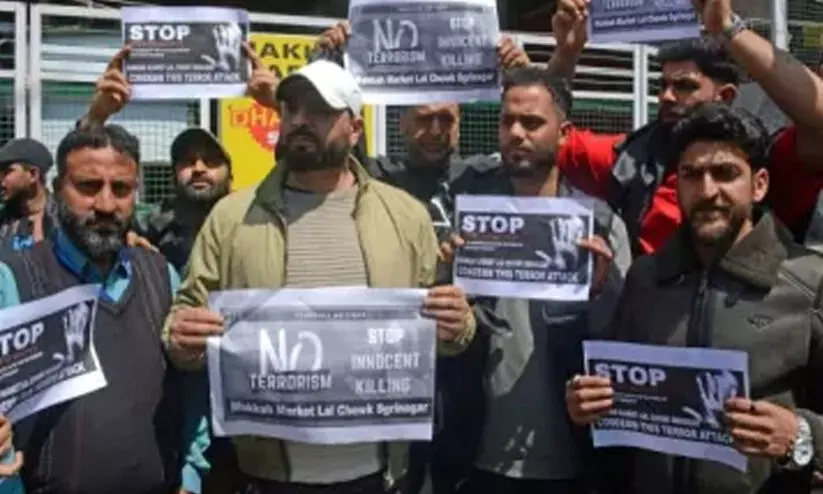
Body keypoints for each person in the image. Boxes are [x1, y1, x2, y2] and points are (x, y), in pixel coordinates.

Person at [163, 59, 476, 494]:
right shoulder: (231, 217)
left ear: (355, 129)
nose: (300, 120)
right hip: (265, 475)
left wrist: (457, 326)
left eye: (320, 111)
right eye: (291, 108)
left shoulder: (406, 215)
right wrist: (181, 337)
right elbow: (186, 316)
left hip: (380, 477)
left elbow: (438, 327)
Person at [566, 102, 823, 494]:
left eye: (725, 173)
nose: (706, 191)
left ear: (759, 184)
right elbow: (616, 401)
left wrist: (803, 436)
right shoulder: (646, 278)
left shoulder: (809, 283)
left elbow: (808, 437)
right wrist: (586, 404)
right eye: (691, 174)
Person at [433, 65, 631, 494]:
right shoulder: (466, 220)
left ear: (564, 134)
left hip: (574, 463)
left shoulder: (600, 225)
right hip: (475, 458)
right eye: (507, 121)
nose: (516, 133)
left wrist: (601, 293)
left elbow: (626, 345)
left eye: (532, 122)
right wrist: (446, 282)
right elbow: (448, 338)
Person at [0, 124, 210, 493]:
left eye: (122, 189)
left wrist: (191, 476)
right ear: (57, 189)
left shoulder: (161, 275)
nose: (106, 205)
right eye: (88, 186)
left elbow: (192, 385)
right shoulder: (14, 279)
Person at [550, 0, 823, 254]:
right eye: (663, 85)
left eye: (684, 86)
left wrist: (728, 29)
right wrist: (566, 53)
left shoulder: (765, 158)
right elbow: (546, 135)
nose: (667, 97)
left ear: (758, 184)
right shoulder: (630, 159)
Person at [310, 21, 529, 233]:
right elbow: (333, 131)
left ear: (459, 125)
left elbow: (537, 148)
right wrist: (325, 62)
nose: (435, 131)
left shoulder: (483, 177)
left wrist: (523, 78)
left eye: (446, 119)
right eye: (424, 119)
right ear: (403, 124)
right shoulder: (378, 178)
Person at [0, 138, 58, 252]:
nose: (1, 179)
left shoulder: (65, 219)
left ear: (33, 174)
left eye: (7, 171)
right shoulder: (3, 220)